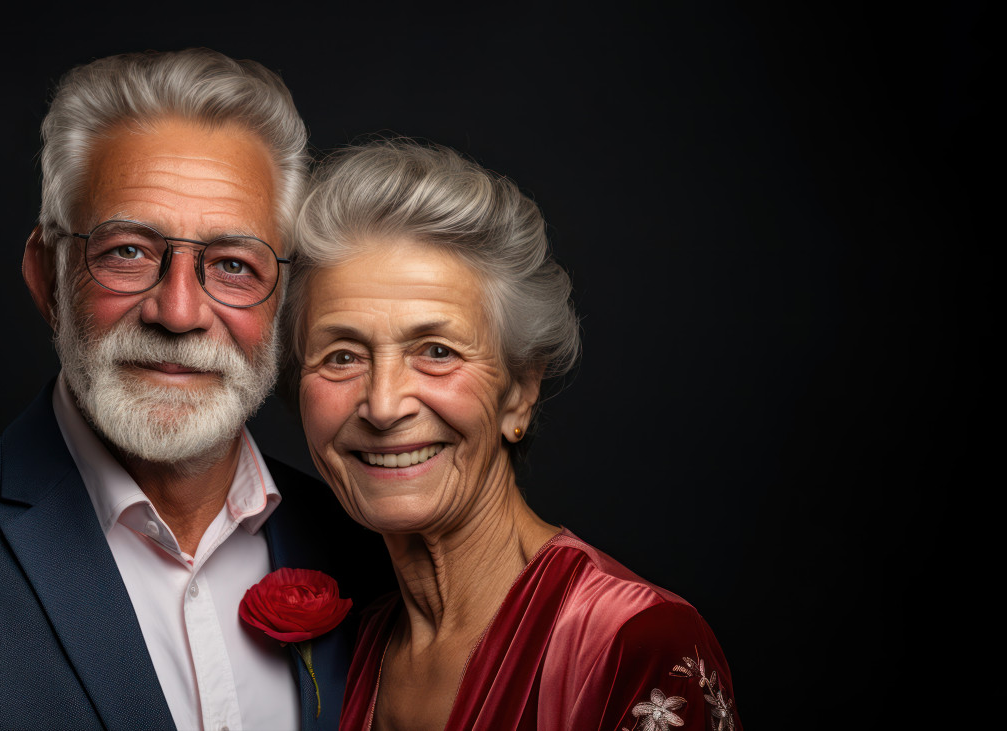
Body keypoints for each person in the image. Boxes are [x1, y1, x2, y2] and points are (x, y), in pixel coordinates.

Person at [0, 49, 388, 730]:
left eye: (232, 264)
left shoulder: (370, 547)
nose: (178, 313)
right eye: (128, 252)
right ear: (47, 276)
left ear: (286, 300)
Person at [285, 139, 741, 730]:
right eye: (342, 356)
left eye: (438, 352)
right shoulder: (354, 645)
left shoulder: (631, 641)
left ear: (520, 391)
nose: (384, 404)